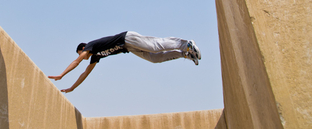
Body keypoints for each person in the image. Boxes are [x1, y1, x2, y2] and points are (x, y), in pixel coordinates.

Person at [48, 31, 201, 93]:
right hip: (129, 48)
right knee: (154, 59)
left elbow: (77, 62)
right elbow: (85, 73)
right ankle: (186, 54)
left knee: (155, 47)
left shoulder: (90, 46)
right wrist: (72, 88)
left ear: (82, 48)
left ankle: (185, 44)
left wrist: (61, 74)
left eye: (81, 53)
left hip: (127, 38)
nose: (84, 56)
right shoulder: (95, 56)